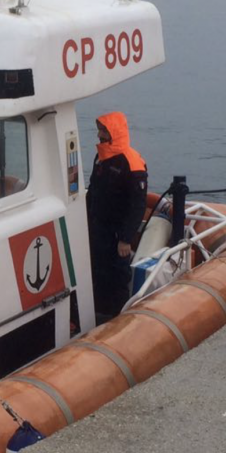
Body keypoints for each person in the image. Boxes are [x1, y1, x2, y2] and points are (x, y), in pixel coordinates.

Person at [87, 112, 147, 322]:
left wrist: (126, 238)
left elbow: (137, 205)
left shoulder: (132, 163)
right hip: (99, 228)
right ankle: (98, 313)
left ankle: (118, 318)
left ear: (114, 132)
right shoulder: (101, 158)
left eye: (103, 130)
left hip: (117, 234)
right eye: (100, 129)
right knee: (98, 271)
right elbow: (94, 191)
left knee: (117, 276)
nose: (99, 134)